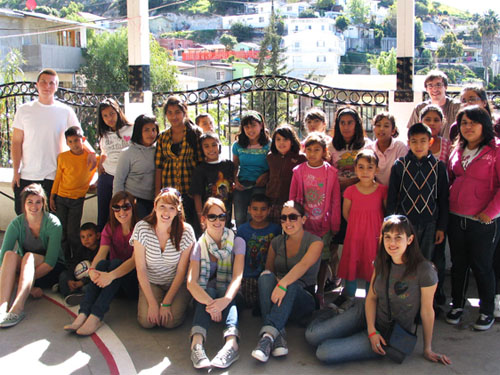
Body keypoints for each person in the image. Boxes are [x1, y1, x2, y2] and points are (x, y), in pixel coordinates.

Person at [305, 215, 451, 366]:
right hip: (366, 315)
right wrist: (371, 330)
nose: (392, 243)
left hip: (388, 332)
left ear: (410, 239)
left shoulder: (425, 270)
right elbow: (371, 298)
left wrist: (428, 348)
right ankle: (332, 315)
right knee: (312, 336)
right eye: (387, 237)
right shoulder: (381, 262)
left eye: (398, 237)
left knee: (324, 352)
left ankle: (347, 329)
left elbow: (427, 311)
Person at [11, 68, 96, 215]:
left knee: (51, 223)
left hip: (54, 177)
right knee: (24, 221)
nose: (47, 86)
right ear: (37, 85)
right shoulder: (24, 110)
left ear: (56, 87)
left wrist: (92, 152)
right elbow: (16, 142)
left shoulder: (65, 111)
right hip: (27, 176)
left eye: (52, 83)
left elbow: (80, 138)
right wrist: (15, 172)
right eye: (43, 82)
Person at [446, 105, 500, 331]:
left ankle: (486, 310)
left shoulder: (495, 150)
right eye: (464, 123)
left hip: (483, 221)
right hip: (456, 218)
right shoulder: (457, 149)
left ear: (484, 125)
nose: (468, 127)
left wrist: (490, 212)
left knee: (482, 266)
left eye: (473, 122)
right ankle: (457, 305)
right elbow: (451, 178)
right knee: (459, 265)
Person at [251, 200, 323, 362]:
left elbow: (303, 265)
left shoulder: (315, 242)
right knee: (265, 276)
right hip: (279, 296)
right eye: (283, 218)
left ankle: (267, 337)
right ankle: (278, 336)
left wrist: (283, 283)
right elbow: (269, 271)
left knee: (291, 284)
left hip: (303, 298)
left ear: (303, 219)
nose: (288, 222)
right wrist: (278, 282)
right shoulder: (277, 242)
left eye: (293, 217)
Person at [63, 191, 138, 335]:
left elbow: (134, 261)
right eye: (117, 208)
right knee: (102, 265)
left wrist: (111, 276)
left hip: (132, 282)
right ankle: (83, 313)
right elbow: (102, 253)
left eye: (126, 207)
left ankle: (96, 316)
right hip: (112, 282)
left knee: (115, 263)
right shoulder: (110, 227)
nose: (121, 211)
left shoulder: (140, 228)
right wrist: (92, 270)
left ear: (133, 208)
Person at [187, 198, 245, 369]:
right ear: (203, 219)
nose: (218, 221)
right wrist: (212, 305)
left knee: (221, 289)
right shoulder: (199, 245)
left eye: (222, 216)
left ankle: (231, 344)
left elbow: (237, 277)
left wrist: (225, 300)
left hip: (230, 297)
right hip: (207, 301)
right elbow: (191, 283)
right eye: (212, 217)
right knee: (210, 291)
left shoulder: (237, 242)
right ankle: (196, 345)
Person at [0, 184, 64, 327]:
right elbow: (2, 259)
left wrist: (23, 282)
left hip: (50, 270)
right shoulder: (16, 223)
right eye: (30, 202)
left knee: (28, 256)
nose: (34, 206)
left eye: (38, 202)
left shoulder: (53, 224)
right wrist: (23, 283)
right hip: (26, 271)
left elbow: (50, 262)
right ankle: (2, 307)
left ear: (43, 203)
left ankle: (18, 308)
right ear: (24, 204)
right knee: (10, 255)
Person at [332, 150, 388, 311]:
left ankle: (372, 297)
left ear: (376, 170)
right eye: (361, 167)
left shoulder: (382, 190)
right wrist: (358, 225)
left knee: (372, 264)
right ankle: (349, 295)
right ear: (355, 169)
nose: (365, 172)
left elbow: (385, 212)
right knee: (352, 261)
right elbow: (346, 212)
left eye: (369, 167)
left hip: (375, 236)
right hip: (354, 235)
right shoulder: (351, 190)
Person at [132, 188, 195, 329]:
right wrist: (153, 304)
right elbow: (141, 269)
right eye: (162, 207)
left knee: (169, 322)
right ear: (155, 207)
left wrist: (166, 303)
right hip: (153, 281)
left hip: (177, 284)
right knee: (147, 322)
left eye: (171, 208)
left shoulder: (186, 232)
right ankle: (154, 300)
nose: (166, 213)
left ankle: (180, 304)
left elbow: (181, 272)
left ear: (178, 210)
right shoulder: (142, 228)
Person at [290, 132, 341, 306]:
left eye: (316, 150)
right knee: (304, 257)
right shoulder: (299, 171)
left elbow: (335, 199)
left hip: (323, 224)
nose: (312, 153)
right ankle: (306, 288)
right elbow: (293, 198)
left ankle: (320, 290)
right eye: (309, 150)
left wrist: (334, 223)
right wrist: (293, 220)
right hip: (304, 224)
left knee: (322, 258)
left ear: (324, 151)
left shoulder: (331, 173)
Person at [387, 123, 448, 262]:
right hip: (405, 223)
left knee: (426, 261)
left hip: (430, 223)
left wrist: (441, 227)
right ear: (408, 143)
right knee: (404, 259)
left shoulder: (438, 167)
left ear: (430, 142)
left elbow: (443, 199)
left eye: (423, 141)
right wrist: (390, 224)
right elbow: (392, 197)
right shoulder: (400, 165)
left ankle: (426, 285)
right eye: (414, 141)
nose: (418, 146)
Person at [328, 106, 372, 294]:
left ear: (357, 124)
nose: (346, 127)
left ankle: (360, 283)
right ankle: (334, 277)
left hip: (359, 199)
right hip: (337, 198)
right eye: (342, 123)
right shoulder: (331, 145)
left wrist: (351, 180)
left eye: (350, 123)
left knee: (356, 242)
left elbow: (370, 171)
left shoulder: (367, 145)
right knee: (334, 240)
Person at [155, 95, 203, 236]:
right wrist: (157, 193)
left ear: (184, 112)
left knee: (193, 228)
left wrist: (197, 192)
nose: (173, 116)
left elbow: (201, 165)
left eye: (177, 112)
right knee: (172, 229)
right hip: (169, 192)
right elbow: (158, 166)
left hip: (190, 191)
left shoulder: (194, 133)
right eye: (169, 112)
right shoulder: (163, 137)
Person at [50, 126, 97, 264]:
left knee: (73, 232)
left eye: (76, 140)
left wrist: (97, 182)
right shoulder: (63, 157)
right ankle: (65, 261)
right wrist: (53, 196)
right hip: (61, 198)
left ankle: (78, 260)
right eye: (70, 141)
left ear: (83, 140)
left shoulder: (89, 157)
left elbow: (104, 164)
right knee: (61, 232)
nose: (73, 144)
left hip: (77, 200)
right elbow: (58, 177)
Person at [419, 105, 451, 306]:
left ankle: (437, 294)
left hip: (438, 206)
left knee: (437, 256)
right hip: (417, 210)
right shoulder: (413, 145)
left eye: (435, 120)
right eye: (427, 119)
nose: (431, 123)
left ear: (442, 123)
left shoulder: (447, 145)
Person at [237, 194, 282, 313]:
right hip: (248, 276)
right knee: (250, 302)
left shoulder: (275, 229)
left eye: (263, 209)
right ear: (249, 209)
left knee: (269, 296)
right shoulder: (242, 230)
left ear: (269, 210)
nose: (259, 213)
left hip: (267, 275)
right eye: (255, 209)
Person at [96, 98, 133, 231]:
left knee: (123, 212)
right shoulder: (104, 134)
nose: (109, 118)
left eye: (112, 113)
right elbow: (104, 152)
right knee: (103, 214)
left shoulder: (131, 129)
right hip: (107, 177)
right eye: (105, 116)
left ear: (118, 112)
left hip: (126, 178)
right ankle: (103, 246)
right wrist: (100, 164)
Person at [113, 114, 158, 220]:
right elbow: (119, 181)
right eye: (146, 130)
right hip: (134, 201)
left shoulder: (159, 151)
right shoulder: (128, 153)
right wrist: (119, 205)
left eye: (153, 129)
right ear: (138, 131)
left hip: (154, 200)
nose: (151, 134)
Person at [232, 111, 271, 228]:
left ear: (261, 125)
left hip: (260, 185)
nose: (250, 130)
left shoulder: (269, 145)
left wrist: (266, 175)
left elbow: (274, 166)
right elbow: (235, 165)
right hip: (242, 185)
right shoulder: (237, 145)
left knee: (254, 217)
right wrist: (235, 180)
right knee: (239, 217)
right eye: (246, 126)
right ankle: (240, 242)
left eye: (253, 125)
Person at [190, 132, 234, 229]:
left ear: (219, 146)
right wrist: (201, 216)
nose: (211, 149)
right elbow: (197, 195)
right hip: (209, 215)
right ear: (202, 149)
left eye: (214, 145)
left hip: (226, 213)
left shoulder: (228, 165)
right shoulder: (200, 169)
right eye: (206, 146)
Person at [266, 125, 307, 223]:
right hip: (272, 200)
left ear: (292, 141)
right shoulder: (271, 157)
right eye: (278, 139)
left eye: (285, 139)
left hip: (290, 200)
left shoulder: (301, 158)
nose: (281, 143)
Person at [406, 70, 461, 141]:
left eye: (438, 85)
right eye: (430, 85)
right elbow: (411, 132)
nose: (434, 89)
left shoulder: (456, 107)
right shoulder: (420, 108)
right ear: (426, 89)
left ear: (446, 87)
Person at [58, 222, 100, 306]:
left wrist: (83, 282)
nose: (86, 239)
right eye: (83, 237)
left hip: (91, 279)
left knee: (89, 288)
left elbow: (100, 270)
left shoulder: (101, 250)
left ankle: (79, 294)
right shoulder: (81, 249)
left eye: (90, 236)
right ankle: (70, 294)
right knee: (64, 275)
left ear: (98, 236)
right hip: (78, 277)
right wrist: (70, 279)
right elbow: (73, 264)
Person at [366, 112, 407, 186]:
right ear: (374, 129)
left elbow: (403, 174)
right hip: (374, 191)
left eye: (386, 126)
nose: (381, 129)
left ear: (393, 131)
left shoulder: (400, 147)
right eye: (378, 125)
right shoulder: (368, 149)